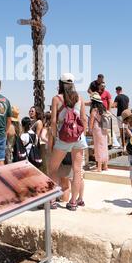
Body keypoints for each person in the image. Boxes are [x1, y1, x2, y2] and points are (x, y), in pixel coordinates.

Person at [49, 72, 87, 211]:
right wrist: (80, 134)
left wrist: (54, 135)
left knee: (53, 168)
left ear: (60, 83)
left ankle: (52, 200)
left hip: (63, 137)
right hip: (78, 137)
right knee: (77, 170)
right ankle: (73, 202)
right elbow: (83, 119)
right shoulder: (80, 99)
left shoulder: (57, 99)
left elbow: (53, 121)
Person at [89, 93, 109, 172]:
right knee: (104, 146)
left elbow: (91, 121)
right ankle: (105, 166)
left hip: (97, 129)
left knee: (98, 147)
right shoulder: (104, 109)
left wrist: (90, 129)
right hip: (104, 129)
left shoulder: (94, 109)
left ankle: (99, 167)